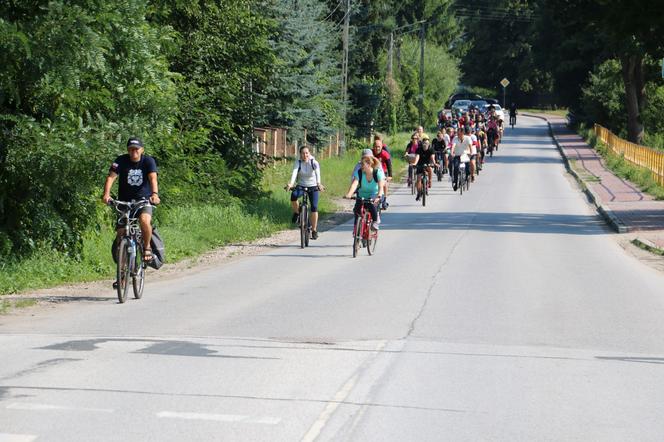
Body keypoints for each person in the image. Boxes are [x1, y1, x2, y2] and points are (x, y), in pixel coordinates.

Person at [102, 137, 160, 286]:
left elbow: (153, 178)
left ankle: (146, 248)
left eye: (136, 149)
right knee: (121, 234)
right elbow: (111, 177)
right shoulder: (120, 161)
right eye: (131, 149)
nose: (133, 152)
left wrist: (154, 194)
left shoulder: (148, 161)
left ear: (142, 149)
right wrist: (106, 194)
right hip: (124, 202)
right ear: (127, 150)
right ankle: (121, 275)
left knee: (144, 221)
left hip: (143, 200)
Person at [286, 146, 325, 240]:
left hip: (313, 186)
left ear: (309, 153)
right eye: (303, 153)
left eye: (307, 153)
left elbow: (317, 173)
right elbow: (294, 173)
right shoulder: (298, 162)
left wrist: (319, 183)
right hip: (301, 185)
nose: (305, 155)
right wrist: (291, 183)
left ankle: (314, 230)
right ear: (300, 154)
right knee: (294, 196)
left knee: (314, 207)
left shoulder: (314, 162)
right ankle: (296, 212)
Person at [344, 155, 385, 231]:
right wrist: (349, 194)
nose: (361, 166)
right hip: (362, 194)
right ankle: (356, 230)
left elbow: (380, 186)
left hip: (375, 194)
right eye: (361, 164)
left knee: (371, 204)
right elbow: (354, 184)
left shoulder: (377, 172)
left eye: (363, 164)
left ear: (369, 164)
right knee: (357, 210)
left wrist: (378, 196)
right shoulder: (359, 172)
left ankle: (376, 221)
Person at [412, 136, 437, 201]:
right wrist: (415, 163)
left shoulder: (431, 149)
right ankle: (418, 193)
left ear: (429, 144)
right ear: (422, 143)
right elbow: (417, 156)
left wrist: (434, 163)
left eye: (426, 143)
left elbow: (432, 158)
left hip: (428, 164)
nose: (425, 144)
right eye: (424, 143)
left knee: (430, 169)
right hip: (420, 164)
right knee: (418, 179)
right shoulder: (419, 149)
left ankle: (430, 181)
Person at [372, 138, 392, 210]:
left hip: (383, 171)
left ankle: (384, 201)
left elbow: (389, 165)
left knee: (385, 184)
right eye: (375, 147)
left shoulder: (385, 154)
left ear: (381, 147)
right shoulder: (371, 153)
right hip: (372, 171)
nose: (377, 148)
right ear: (373, 147)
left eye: (379, 147)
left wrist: (390, 176)